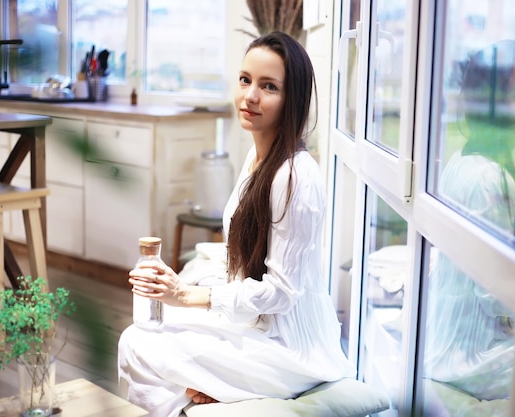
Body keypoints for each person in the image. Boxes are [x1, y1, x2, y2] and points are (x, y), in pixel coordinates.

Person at [117, 31, 355, 417]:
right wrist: (180, 288)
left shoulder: (296, 177)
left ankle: (216, 391)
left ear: (291, 99)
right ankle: (211, 390)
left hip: (292, 350)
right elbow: (240, 260)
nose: (251, 96)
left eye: (269, 86)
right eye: (245, 80)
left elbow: (280, 293)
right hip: (257, 326)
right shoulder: (257, 158)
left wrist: (191, 296)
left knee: (139, 345)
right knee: (147, 326)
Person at [423, 40, 515, 402]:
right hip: (470, 357)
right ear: (489, 101)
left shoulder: (463, 159)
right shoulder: (487, 180)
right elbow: (495, 294)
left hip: (452, 340)